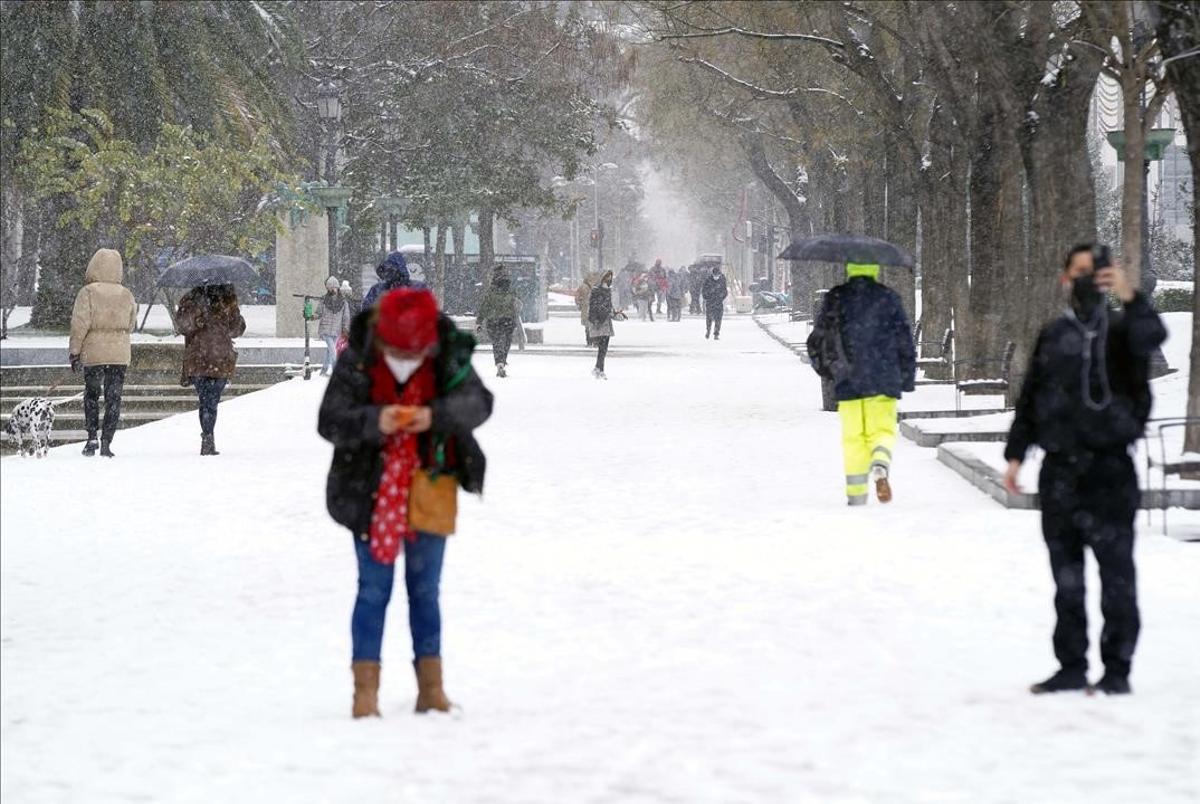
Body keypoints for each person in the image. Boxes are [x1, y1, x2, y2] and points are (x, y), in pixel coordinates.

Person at [318, 287, 493, 718]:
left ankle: (430, 689)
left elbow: (479, 403)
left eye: (415, 352)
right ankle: (365, 694)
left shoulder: (445, 352)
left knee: (425, 591)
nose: (407, 359)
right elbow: (330, 421)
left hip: (431, 485)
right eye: (398, 350)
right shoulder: (358, 357)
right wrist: (375, 419)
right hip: (367, 489)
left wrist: (434, 417)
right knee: (373, 590)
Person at [1004, 244, 1166, 697]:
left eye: (1093, 272)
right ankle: (1071, 664)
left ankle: (1117, 668)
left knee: (1117, 576)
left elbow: (1152, 338)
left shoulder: (1122, 331)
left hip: (1110, 472)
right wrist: (1016, 454)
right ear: (1063, 279)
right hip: (1060, 475)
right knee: (1066, 578)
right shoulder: (1054, 334)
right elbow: (1032, 396)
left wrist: (1132, 297)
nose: (1084, 280)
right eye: (1076, 272)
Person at [806, 263, 916, 505]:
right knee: (883, 430)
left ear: (850, 268)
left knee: (853, 438)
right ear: (875, 268)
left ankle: (856, 496)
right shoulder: (889, 298)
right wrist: (907, 377)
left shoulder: (836, 297)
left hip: (848, 381)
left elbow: (818, 339)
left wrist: (826, 370)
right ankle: (880, 463)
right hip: (884, 379)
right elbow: (905, 339)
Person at [69, 248, 137, 457]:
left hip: (94, 354)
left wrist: (74, 351)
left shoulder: (88, 292)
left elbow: (79, 324)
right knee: (113, 397)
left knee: (91, 395)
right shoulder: (126, 294)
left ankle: (91, 437)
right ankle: (107, 440)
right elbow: (131, 325)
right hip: (119, 353)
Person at [176, 284, 246, 456]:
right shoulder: (228, 300)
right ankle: (208, 436)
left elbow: (183, 327)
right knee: (212, 401)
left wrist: (197, 320)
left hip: (198, 357)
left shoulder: (190, 301)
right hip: (220, 357)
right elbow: (236, 330)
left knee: (205, 400)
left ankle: (207, 435)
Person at [476, 271, 522, 378]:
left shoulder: (490, 292)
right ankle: (502, 361)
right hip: (508, 320)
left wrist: (479, 322)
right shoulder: (511, 291)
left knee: (496, 343)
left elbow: (484, 308)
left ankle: (499, 363)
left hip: (493, 321)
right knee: (506, 342)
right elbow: (518, 305)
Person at [587, 270, 625, 379]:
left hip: (606, 322)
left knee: (604, 348)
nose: (609, 279)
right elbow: (594, 307)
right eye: (607, 277)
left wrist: (616, 313)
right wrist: (597, 318)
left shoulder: (607, 291)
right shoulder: (597, 291)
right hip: (599, 322)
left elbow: (608, 307)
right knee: (602, 347)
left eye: (610, 277)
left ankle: (599, 368)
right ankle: (599, 369)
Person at [318, 276, 351, 377]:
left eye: (333, 287)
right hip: (325, 329)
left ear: (337, 287)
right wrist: (312, 316)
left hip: (337, 330)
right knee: (333, 351)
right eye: (329, 288)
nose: (331, 290)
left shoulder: (343, 302)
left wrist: (345, 329)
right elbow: (318, 312)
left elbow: (346, 317)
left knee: (329, 351)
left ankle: (323, 371)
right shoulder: (324, 300)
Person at [701, 265, 728, 339]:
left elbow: (725, 291)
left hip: (719, 302)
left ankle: (716, 333)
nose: (716, 277)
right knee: (709, 318)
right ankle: (708, 330)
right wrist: (708, 295)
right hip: (710, 302)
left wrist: (721, 296)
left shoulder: (722, 280)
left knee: (718, 318)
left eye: (717, 275)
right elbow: (704, 291)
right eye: (715, 275)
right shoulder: (708, 280)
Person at [575, 272, 598, 345]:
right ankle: (594, 340)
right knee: (593, 325)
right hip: (593, 309)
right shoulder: (595, 286)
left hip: (586, 309)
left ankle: (589, 340)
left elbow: (577, 297)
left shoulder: (583, 286)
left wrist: (580, 304)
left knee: (588, 326)